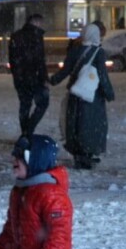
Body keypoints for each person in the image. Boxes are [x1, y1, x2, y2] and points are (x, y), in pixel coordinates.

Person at [50, 23, 115, 169]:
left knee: (75, 125)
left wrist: (52, 80)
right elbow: (102, 75)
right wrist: (109, 93)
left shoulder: (75, 51)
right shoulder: (98, 52)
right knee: (91, 125)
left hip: (76, 93)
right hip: (92, 95)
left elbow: (65, 71)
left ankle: (78, 154)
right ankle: (88, 154)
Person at [8, 14, 50, 137]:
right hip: (35, 77)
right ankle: (28, 131)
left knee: (25, 105)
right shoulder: (36, 36)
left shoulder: (16, 36)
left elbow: (13, 59)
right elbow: (40, 60)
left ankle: (25, 132)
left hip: (20, 78)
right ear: (36, 22)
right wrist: (44, 78)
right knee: (42, 104)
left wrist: (17, 75)